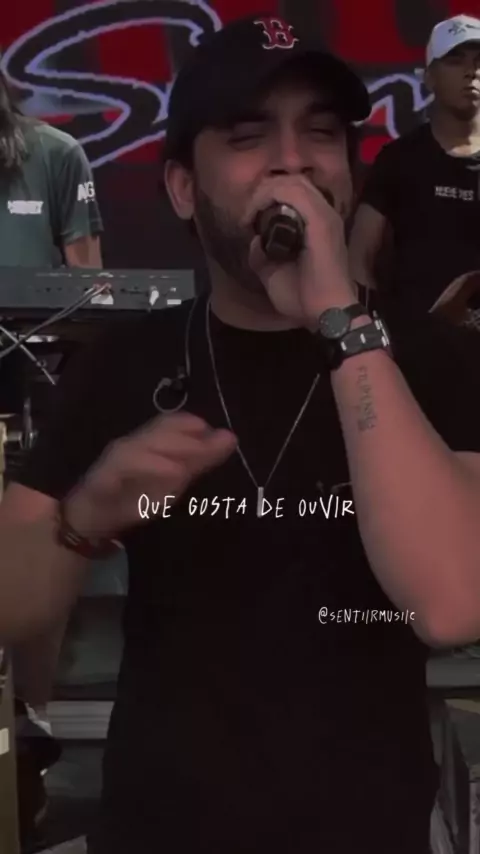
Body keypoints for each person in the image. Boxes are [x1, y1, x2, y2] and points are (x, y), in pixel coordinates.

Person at [0, 14, 480, 854]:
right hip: (160, 827)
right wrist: (85, 517)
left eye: (321, 134)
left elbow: (450, 604)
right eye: (249, 137)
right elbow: (11, 608)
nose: (294, 162)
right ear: (184, 188)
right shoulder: (127, 363)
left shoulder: (432, 359)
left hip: (369, 830)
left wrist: (339, 320)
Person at [0, 66, 103, 845]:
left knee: (35, 547)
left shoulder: (55, 154)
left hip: (27, 383)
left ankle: (30, 723)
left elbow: (92, 291)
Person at [349, 14, 480, 315]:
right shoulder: (399, 159)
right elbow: (358, 258)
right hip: (415, 337)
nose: (471, 71)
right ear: (429, 77)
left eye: (479, 61)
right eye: (455, 60)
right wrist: (374, 326)